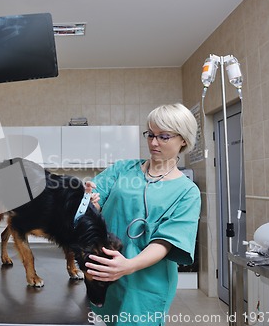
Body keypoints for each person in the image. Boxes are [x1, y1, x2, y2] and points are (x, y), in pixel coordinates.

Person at [84, 103, 201, 326]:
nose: (153, 143)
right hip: (106, 272)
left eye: (164, 137)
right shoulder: (122, 170)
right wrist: (90, 201)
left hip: (147, 282)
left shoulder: (187, 192)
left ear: (183, 139)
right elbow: (93, 204)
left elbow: (167, 241)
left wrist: (128, 266)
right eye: (150, 134)